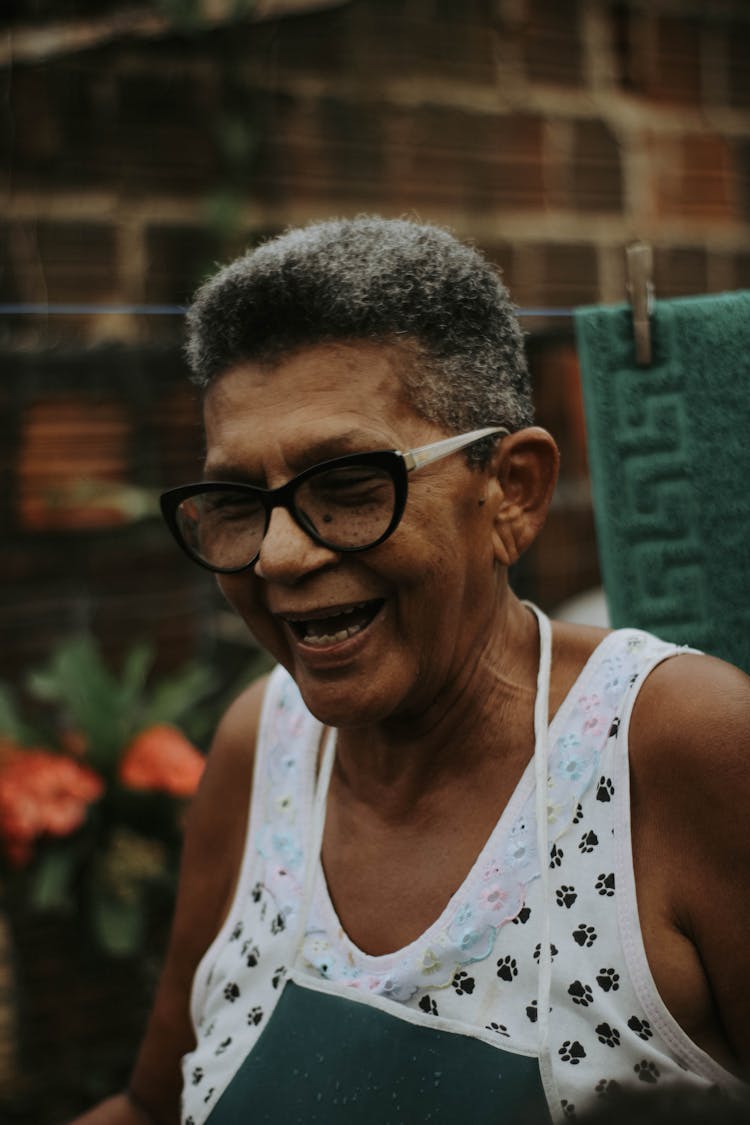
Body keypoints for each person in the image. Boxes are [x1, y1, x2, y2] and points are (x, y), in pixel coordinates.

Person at [73, 217, 750, 1125]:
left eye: (350, 486)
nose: (276, 555)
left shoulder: (680, 750)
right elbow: (156, 1108)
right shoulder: (265, 744)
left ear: (511, 490)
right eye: (237, 501)